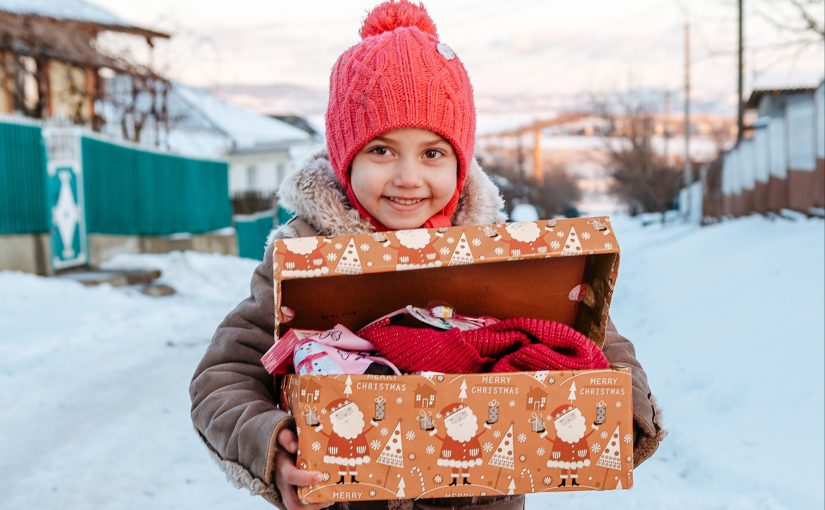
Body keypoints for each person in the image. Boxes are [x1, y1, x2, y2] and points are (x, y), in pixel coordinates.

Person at [189, 2, 665, 509]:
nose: (409, 177)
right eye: (382, 150)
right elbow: (224, 376)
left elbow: (595, 341)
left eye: (433, 153)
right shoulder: (308, 257)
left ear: (460, 162)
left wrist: (625, 410)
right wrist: (270, 441)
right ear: (344, 154)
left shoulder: (500, 255)